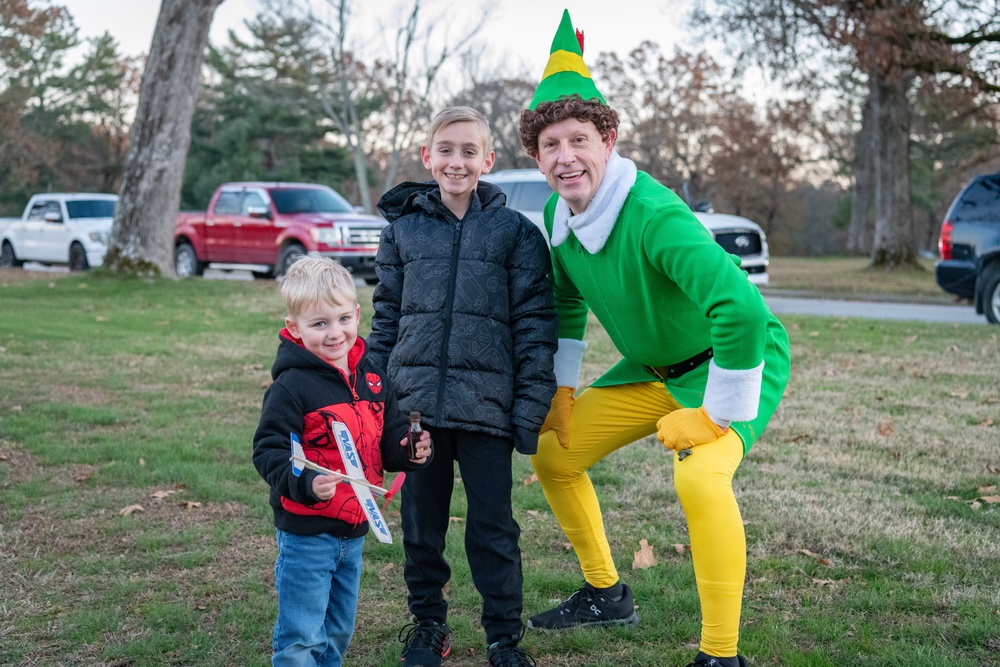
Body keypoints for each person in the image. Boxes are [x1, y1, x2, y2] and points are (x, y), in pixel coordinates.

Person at [517, 10, 792, 667]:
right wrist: (560, 389)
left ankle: (720, 655)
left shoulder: (654, 215)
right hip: (653, 368)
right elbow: (562, 302)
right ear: (535, 155)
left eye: (578, 139)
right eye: (550, 145)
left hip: (731, 364)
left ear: (608, 137)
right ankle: (607, 594)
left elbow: (743, 312)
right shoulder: (558, 211)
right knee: (555, 455)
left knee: (700, 481)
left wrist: (716, 412)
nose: (565, 157)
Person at [367, 106, 558, 667]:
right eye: (445, 150)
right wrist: (374, 395)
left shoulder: (516, 235)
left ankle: (503, 636)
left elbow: (534, 328)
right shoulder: (402, 232)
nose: (456, 160)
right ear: (427, 157)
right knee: (423, 526)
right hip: (417, 408)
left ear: (488, 161)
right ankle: (428, 625)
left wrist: (529, 409)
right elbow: (386, 319)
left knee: (493, 527)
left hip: (488, 410)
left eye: (469, 151)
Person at [252, 253, 432, 667]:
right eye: (319, 324)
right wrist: (304, 484)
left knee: (337, 631)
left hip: (353, 533)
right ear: (294, 328)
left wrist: (410, 449)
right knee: (302, 636)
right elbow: (269, 450)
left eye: (343, 320)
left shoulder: (372, 377)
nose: (335, 334)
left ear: (355, 314)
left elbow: (388, 437)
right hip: (306, 533)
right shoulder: (292, 387)